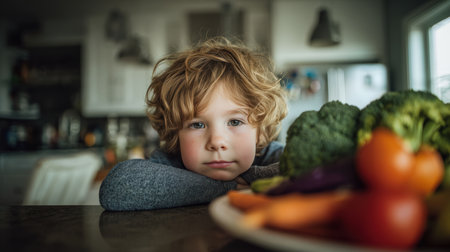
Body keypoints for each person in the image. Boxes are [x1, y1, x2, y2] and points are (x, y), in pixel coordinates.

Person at [99, 37, 287, 211]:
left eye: (235, 121)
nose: (217, 141)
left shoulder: (272, 157)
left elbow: (314, 169)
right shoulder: (172, 162)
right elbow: (117, 186)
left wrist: (252, 178)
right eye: (197, 125)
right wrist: (226, 187)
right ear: (176, 133)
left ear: (260, 131)